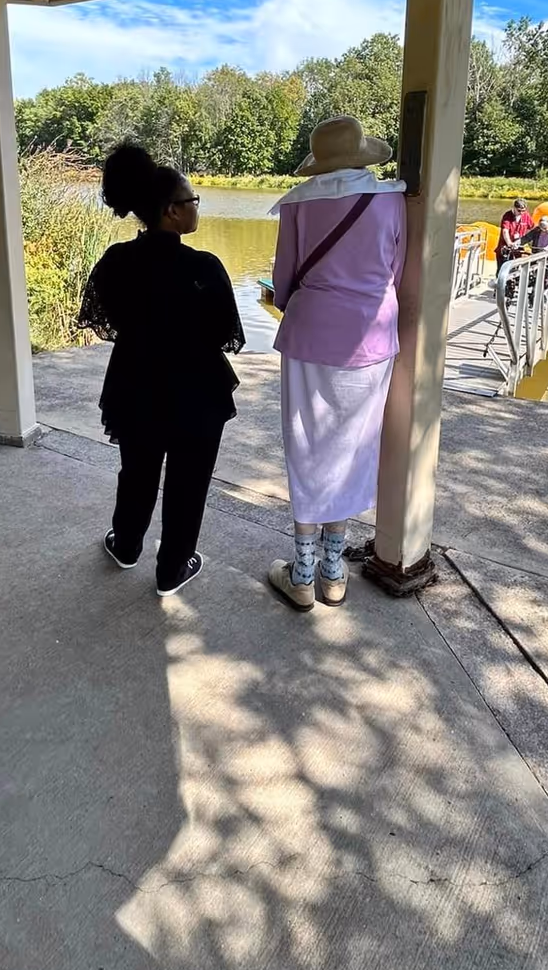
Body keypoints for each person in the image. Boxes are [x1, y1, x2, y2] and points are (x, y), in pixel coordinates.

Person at [77, 143, 244, 597]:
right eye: (192, 201)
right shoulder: (204, 267)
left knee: (137, 471)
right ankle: (171, 568)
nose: (196, 208)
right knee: (188, 484)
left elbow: (103, 321)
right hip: (196, 394)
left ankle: (127, 546)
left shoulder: (115, 261)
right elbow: (227, 336)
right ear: (171, 211)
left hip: (135, 386)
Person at [268, 116, 406, 612]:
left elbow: (284, 279)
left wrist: (306, 304)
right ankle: (333, 571)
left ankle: (301, 573)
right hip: (372, 337)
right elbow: (395, 269)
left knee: (307, 445)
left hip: (310, 334)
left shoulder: (298, 204)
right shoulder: (389, 199)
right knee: (354, 446)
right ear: (362, 156)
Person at [496, 198, 532, 266]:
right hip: (505, 248)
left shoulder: (526, 216)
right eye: (519, 211)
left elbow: (532, 228)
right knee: (503, 268)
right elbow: (505, 231)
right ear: (514, 208)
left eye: (523, 211)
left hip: (519, 248)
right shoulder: (507, 216)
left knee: (516, 269)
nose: (521, 213)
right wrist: (509, 243)